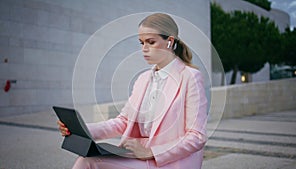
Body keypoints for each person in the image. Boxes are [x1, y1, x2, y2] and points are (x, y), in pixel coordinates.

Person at [58, 13, 208, 169]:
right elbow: (123, 121)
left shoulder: (190, 77)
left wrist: (151, 152)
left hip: (169, 162)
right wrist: (81, 129)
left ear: (169, 42)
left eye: (151, 42)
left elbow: (196, 137)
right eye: (141, 43)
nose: (144, 49)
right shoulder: (143, 79)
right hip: (137, 155)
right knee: (86, 159)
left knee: (90, 163)